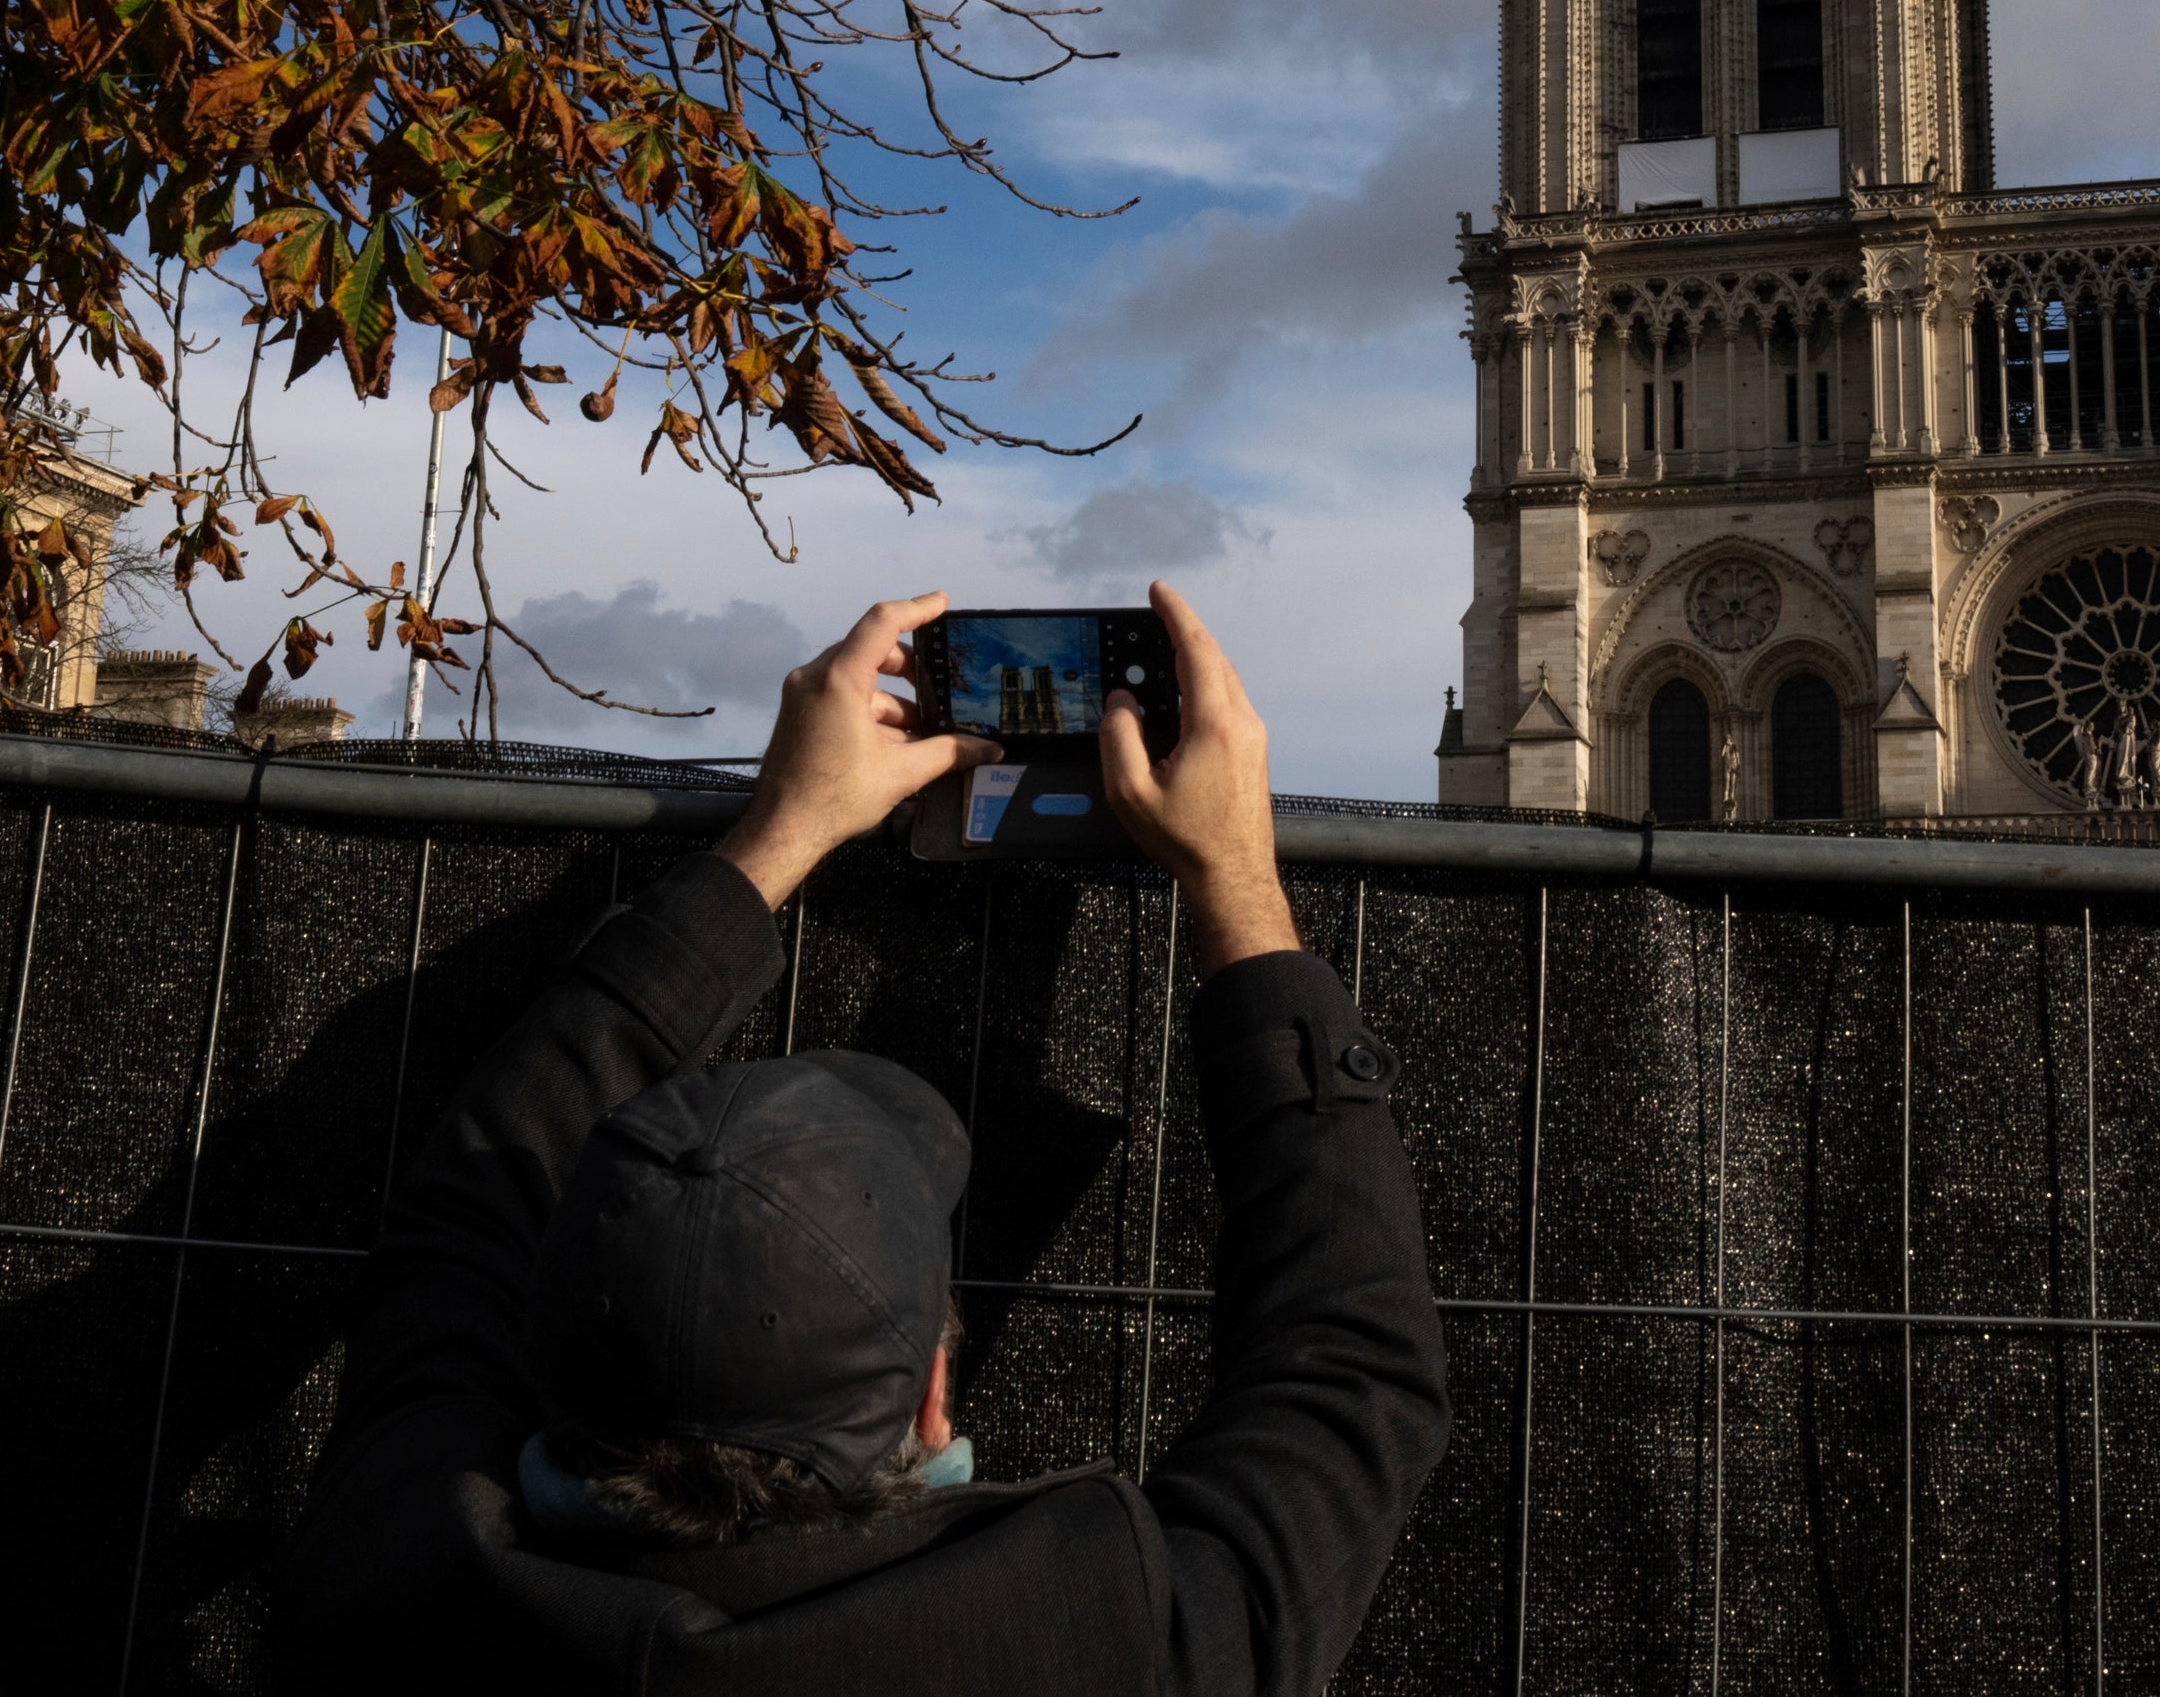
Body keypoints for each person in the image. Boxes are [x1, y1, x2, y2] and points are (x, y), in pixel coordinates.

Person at [274, 585, 1448, 1694]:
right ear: (935, 1399)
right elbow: (1352, 1363)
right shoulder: (1116, 1640)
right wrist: (1235, 877)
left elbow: (465, 1218)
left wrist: (774, 831)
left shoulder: (403, 1584)